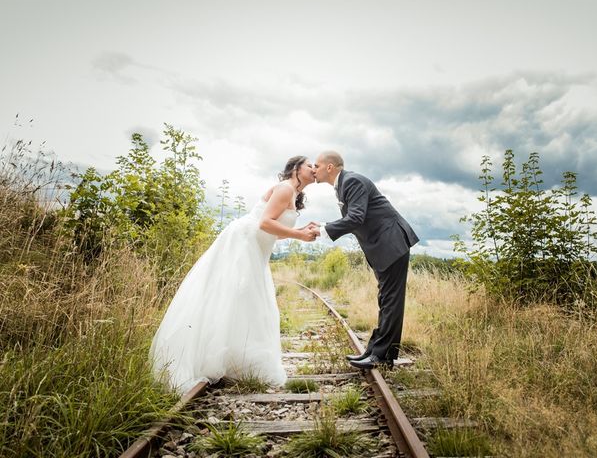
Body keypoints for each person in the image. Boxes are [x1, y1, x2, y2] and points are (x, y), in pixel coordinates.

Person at [150, 156, 319, 393]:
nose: (314, 169)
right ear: (295, 168)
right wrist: (299, 235)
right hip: (244, 244)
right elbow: (264, 224)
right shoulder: (284, 188)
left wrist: (299, 231)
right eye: (310, 165)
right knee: (235, 295)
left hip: (256, 248)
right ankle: (212, 358)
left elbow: (275, 232)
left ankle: (232, 358)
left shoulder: (292, 193)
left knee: (244, 301)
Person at [314, 151, 419, 369]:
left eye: (317, 165)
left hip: (391, 243)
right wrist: (324, 226)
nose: (314, 170)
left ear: (330, 167)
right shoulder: (344, 184)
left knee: (391, 300)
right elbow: (355, 217)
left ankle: (381, 356)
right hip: (384, 246)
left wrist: (324, 230)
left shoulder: (351, 181)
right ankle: (377, 351)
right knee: (386, 299)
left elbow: (355, 217)